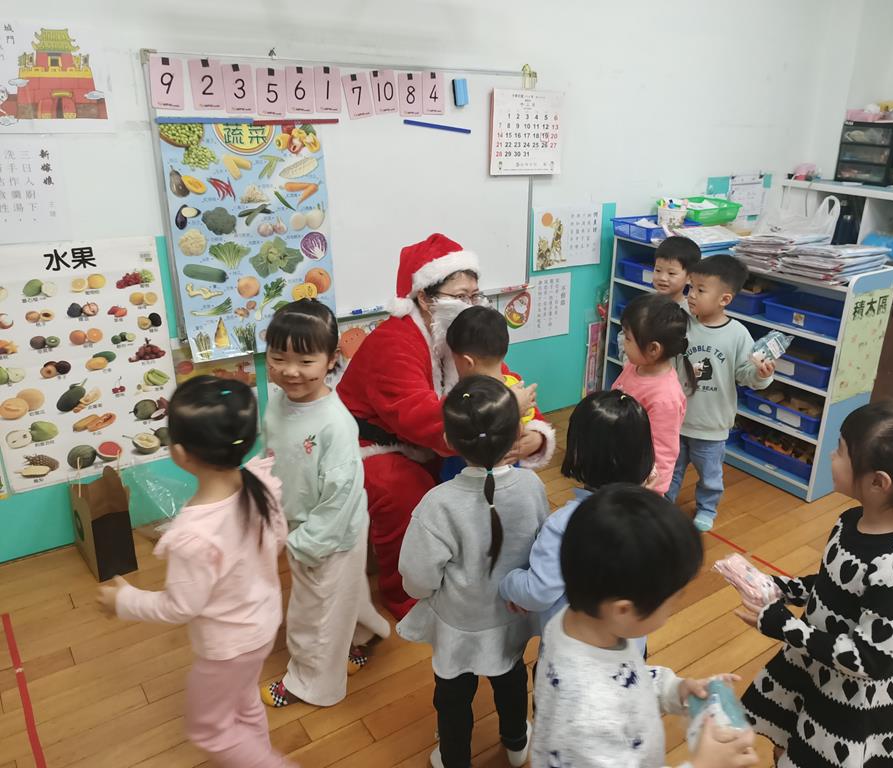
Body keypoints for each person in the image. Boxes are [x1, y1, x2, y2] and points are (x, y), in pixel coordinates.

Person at [738, 400, 893, 768]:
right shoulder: (850, 520)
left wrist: (785, 626)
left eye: (841, 451)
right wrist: (784, 587)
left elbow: (869, 659)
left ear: (879, 482)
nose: (832, 456)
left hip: (845, 699)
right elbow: (833, 586)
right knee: (787, 739)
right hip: (812, 663)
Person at [338, 233, 554, 619]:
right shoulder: (394, 342)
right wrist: (505, 413)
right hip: (370, 444)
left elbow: (502, 382)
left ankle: (468, 566)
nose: (470, 305)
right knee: (404, 492)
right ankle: (407, 595)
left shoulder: (460, 334)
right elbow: (419, 418)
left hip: (437, 438)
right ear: (425, 297)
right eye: (460, 295)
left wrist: (534, 436)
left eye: (475, 295)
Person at [96, 377, 294, 768]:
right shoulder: (259, 483)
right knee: (244, 701)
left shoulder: (195, 534)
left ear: (180, 454)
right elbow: (279, 539)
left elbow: (179, 607)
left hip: (227, 648)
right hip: (262, 626)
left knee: (210, 730)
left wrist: (125, 601)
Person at [531, 484, 758, 768]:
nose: (673, 609)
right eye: (672, 601)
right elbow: (606, 695)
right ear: (623, 610)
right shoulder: (588, 715)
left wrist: (674, 689)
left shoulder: (578, 623)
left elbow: (623, 678)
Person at [397, 376, 550, 768]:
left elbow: (417, 578)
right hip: (512, 615)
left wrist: (430, 593)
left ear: (449, 440)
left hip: (458, 624)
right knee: (511, 679)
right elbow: (541, 548)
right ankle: (516, 742)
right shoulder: (532, 486)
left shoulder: (437, 504)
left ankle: (454, 759)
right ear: (517, 433)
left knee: (452, 696)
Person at [260, 299, 390, 709]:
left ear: (331, 359)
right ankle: (365, 635)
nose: (290, 371)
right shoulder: (277, 401)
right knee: (340, 594)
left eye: (305, 361)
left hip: (329, 534)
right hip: (299, 523)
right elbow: (272, 455)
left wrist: (307, 544)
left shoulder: (335, 423)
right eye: (278, 358)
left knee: (312, 613)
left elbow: (341, 496)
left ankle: (310, 682)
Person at [500, 390, 655, 650]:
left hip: (572, 658)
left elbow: (538, 591)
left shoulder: (565, 525)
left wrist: (509, 583)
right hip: (630, 650)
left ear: (577, 452)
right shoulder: (653, 515)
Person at [668, 254, 774, 530]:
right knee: (670, 469)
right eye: (691, 287)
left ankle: (707, 508)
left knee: (710, 475)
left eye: (701, 290)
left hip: (711, 425)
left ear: (724, 299)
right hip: (675, 419)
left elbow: (745, 373)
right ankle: (662, 505)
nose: (691, 295)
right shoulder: (682, 322)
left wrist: (761, 375)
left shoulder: (737, 334)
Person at [439, 304, 551, 481]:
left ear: (467, 362)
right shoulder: (516, 385)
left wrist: (537, 437)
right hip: (509, 477)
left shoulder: (462, 396)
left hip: (463, 476)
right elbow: (533, 420)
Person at [612, 292, 696, 496]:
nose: (623, 343)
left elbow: (664, 450)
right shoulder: (634, 367)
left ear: (653, 349)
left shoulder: (664, 396)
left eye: (628, 338)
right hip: (617, 461)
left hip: (638, 483)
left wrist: (651, 490)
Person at [653, 235, 702, 304]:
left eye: (671, 273)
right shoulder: (645, 303)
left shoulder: (689, 309)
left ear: (690, 277)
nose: (662, 278)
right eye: (658, 270)